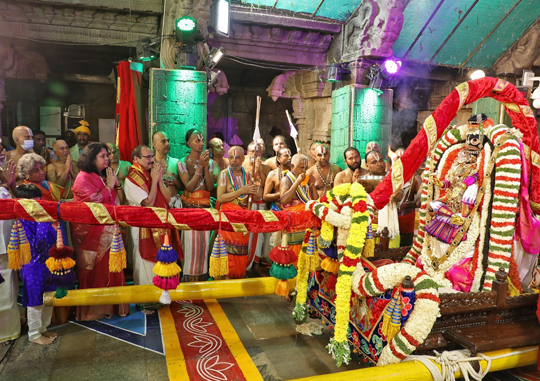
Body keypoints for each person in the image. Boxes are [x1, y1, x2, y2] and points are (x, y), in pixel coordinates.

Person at [71, 142, 129, 321]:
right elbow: (94, 202)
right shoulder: (83, 178)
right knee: (97, 271)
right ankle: (94, 311)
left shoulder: (97, 176)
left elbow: (112, 201)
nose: (107, 158)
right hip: (92, 235)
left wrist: (115, 185)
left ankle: (112, 307)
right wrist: (109, 186)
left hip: (107, 231)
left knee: (110, 269)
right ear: (92, 158)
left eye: (107, 155)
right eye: (103, 156)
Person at [125, 145, 180, 312]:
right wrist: (155, 180)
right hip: (142, 227)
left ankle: (161, 298)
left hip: (158, 227)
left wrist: (158, 179)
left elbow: (168, 197)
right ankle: (146, 301)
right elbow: (148, 202)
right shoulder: (132, 178)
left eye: (152, 157)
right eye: (147, 157)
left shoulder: (150, 175)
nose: (151, 160)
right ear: (136, 159)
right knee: (144, 265)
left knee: (158, 263)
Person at [16, 184, 58, 345]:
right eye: (33, 202)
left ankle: (43, 328)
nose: (37, 205)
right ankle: (33, 333)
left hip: (47, 262)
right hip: (33, 263)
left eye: (39, 201)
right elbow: (37, 245)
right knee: (36, 296)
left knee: (49, 296)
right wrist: (43, 222)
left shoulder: (41, 216)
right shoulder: (22, 220)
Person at [217, 146, 262, 279]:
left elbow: (256, 197)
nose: (234, 161)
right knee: (228, 250)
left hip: (243, 220)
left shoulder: (248, 175)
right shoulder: (224, 174)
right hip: (228, 220)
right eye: (231, 157)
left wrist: (257, 177)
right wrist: (242, 190)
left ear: (243, 159)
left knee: (241, 250)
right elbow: (220, 198)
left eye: (237, 157)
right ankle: (226, 277)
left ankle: (239, 276)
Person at [178, 129, 214, 281]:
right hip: (189, 209)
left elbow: (210, 187)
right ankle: (187, 280)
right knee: (190, 246)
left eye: (202, 140)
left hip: (205, 208)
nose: (200, 143)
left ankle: (202, 279)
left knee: (203, 246)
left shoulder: (210, 162)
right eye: (196, 140)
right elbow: (190, 187)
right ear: (188, 143)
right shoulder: (182, 163)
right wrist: (199, 167)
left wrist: (205, 166)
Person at [259, 147, 292, 275]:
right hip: (278, 212)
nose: (288, 157)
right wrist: (280, 194)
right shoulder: (273, 174)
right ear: (278, 158)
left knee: (291, 246)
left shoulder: (295, 173)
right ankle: (277, 274)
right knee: (276, 245)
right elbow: (265, 196)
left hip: (291, 214)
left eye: (290, 154)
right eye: (285, 155)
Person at [0, 151, 19, 348]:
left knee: (9, 285)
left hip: (8, 244)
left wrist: (9, 184)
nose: (3, 152)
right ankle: (4, 332)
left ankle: (11, 325)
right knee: (3, 286)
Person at [280, 154, 316, 258]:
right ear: (292, 166)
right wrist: (297, 182)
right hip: (293, 224)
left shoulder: (306, 180)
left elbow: (314, 201)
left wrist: (312, 185)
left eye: (306, 168)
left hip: (306, 223)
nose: (304, 171)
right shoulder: (286, 180)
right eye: (301, 168)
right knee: (293, 254)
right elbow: (284, 200)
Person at [152, 131, 182, 204]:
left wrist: (175, 182)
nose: (167, 144)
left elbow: (183, 187)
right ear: (154, 145)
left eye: (168, 141)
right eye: (163, 141)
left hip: (174, 204)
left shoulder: (176, 162)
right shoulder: (150, 164)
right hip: (156, 204)